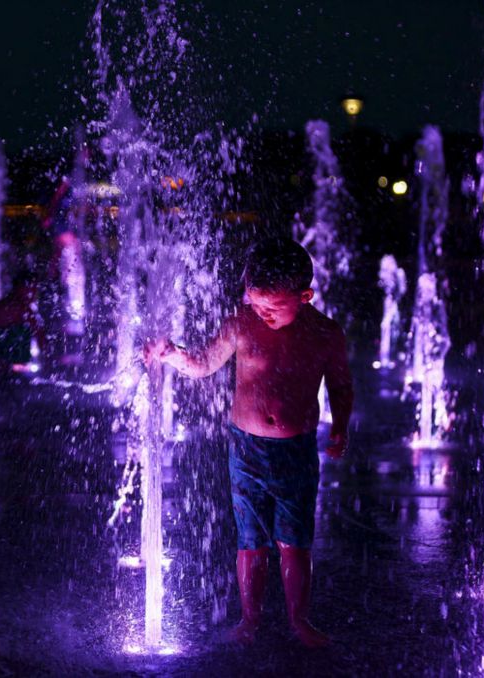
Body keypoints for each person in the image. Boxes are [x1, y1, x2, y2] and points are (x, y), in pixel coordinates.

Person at [145, 238, 353, 647]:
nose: (263, 314)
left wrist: (341, 426)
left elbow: (341, 385)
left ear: (305, 296)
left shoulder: (325, 334)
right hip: (246, 449)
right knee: (250, 538)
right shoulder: (240, 324)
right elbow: (204, 364)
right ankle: (249, 620)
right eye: (256, 304)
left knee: (294, 539)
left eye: (272, 307)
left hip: (296, 448)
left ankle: (298, 620)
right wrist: (171, 353)